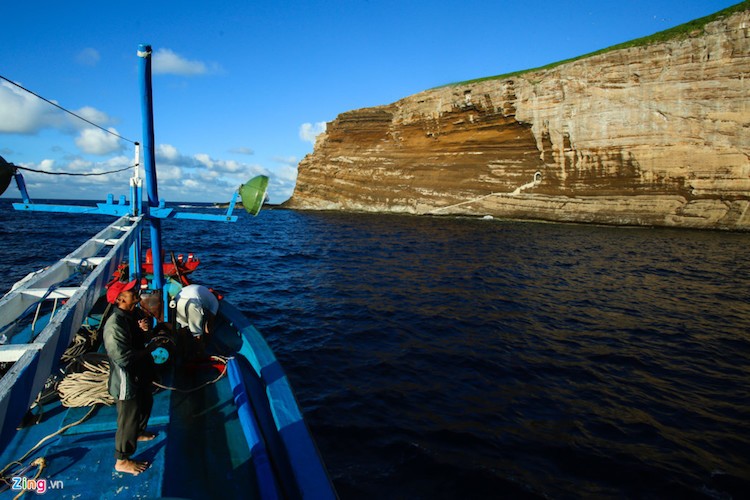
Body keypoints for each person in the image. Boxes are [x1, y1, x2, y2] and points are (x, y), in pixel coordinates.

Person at [103, 279, 157, 476]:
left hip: (138, 375)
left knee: (145, 402)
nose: (134, 291)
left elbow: (138, 341)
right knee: (128, 417)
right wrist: (148, 350)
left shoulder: (130, 316)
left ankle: (139, 432)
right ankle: (122, 460)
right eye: (128, 290)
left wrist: (145, 332)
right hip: (125, 379)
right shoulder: (115, 324)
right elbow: (123, 357)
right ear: (120, 299)